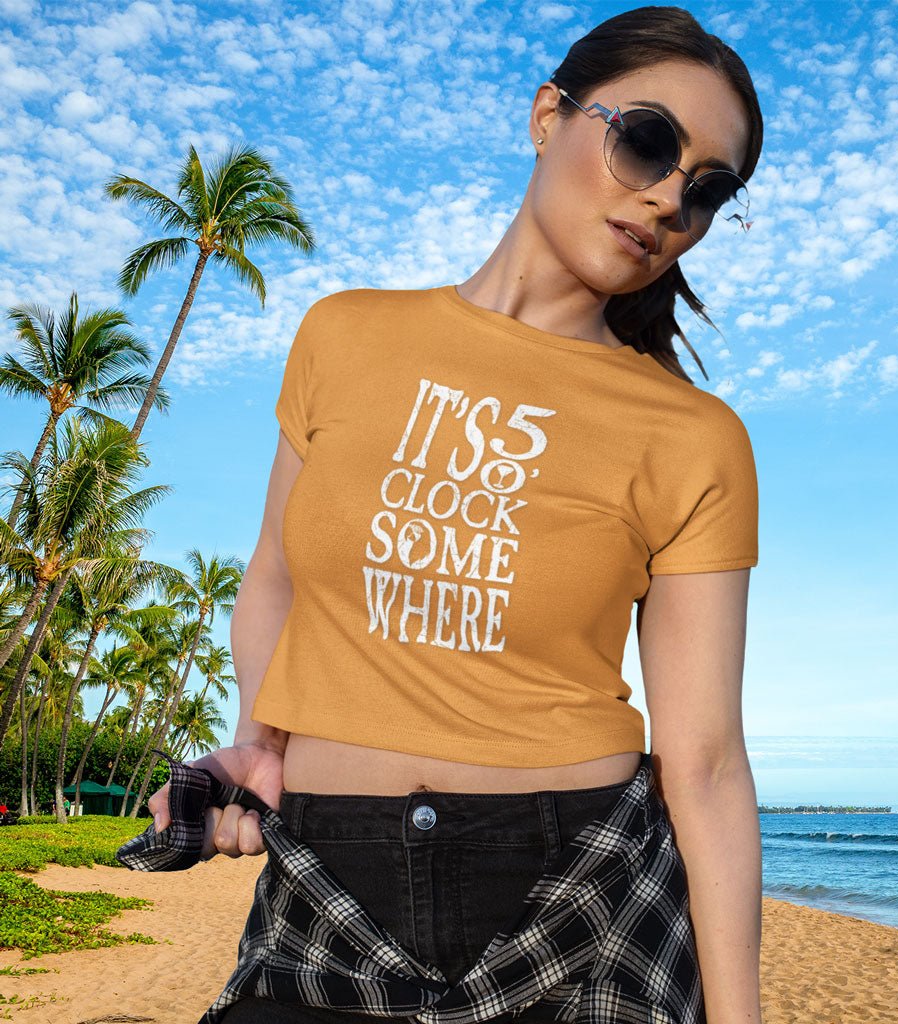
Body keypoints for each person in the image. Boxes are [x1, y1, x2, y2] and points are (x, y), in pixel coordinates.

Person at [148, 6, 764, 1023]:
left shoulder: (694, 436)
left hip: (579, 894)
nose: (665, 197)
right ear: (547, 116)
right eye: (646, 142)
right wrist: (261, 736)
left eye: (706, 191)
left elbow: (703, 763)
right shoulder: (343, 335)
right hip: (328, 886)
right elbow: (276, 577)